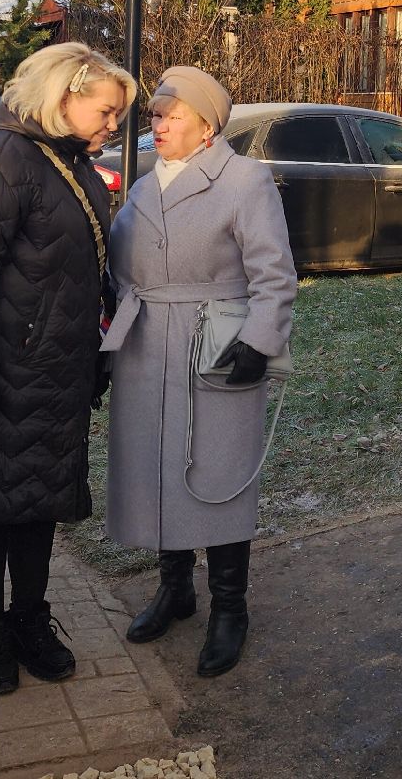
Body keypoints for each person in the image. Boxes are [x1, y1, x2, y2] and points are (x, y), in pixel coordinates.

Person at [0, 43, 135, 695]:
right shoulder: (3, 157)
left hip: (52, 370)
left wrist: (98, 349)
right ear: (63, 96)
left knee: (36, 504)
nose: (115, 124)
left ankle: (31, 617)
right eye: (107, 110)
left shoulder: (65, 161)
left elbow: (87, 267)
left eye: (119, 113)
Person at [100, 65, 296, 678]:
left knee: (217, 471)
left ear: (207, 126)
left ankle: (230, 608)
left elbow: (275, 273)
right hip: (144, 345)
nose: (155, 126)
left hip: (215, 347)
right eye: (154, 116)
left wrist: (259, 343)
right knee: (159, 467)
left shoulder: (244, 180)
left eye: (169, 116)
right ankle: (175, 589)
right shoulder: (142, 182)